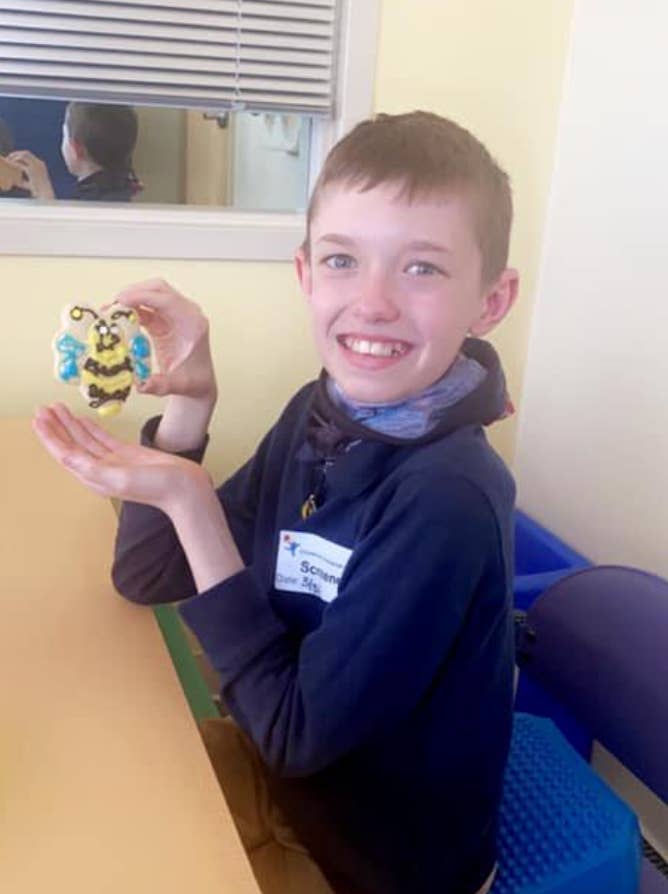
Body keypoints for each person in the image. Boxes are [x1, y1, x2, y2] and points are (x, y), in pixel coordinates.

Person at [33, 110, 519, 894]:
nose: (373, 302)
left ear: (490, 302)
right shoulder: (320, 414)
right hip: (282, 770)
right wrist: (190, 409)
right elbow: (147, 577)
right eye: (341, 260)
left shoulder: (448, 500)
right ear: (304, 275)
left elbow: (295, 733)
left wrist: (191, 502)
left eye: (421, 268)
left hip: (373, 862)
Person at [8, 102, 141, 201]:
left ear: (77, 149)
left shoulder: (90, 204)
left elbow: (64, 235)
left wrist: (45, 195)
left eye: (64, 135)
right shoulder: (122, 189)